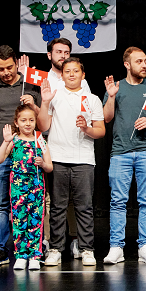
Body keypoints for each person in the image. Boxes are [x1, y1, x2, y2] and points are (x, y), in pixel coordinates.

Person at [102, 47, 146, 264]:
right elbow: (106, 118)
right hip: (120, 153)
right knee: (117, 201)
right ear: (127, 64)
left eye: (145, 61)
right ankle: (116, 247)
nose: (144, 65)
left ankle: (145, 246)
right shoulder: (117, 87)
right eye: (139, 61)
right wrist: (111, 96)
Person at [0, 45, 41, 266]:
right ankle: (0, 249)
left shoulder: (29, 83)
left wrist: (33, 104)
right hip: (0, 152)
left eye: (10, 67)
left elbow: (43, 121)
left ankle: (30, 249)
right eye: (0, 69)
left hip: (27, 154)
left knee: (30, 203)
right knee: (0, 204)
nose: (6, 72)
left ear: (16, 63)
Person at [37, 57, 105, 266]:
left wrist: (86, 128)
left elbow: (101, 131)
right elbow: (43, 125)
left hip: (84, 159)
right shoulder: (54, 96)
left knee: (84, 207)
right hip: (57, 158)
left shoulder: (92, 99)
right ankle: (56, 249)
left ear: (83, 75)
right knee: (57, 207)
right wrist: (45, 102)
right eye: (67, 71)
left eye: (76, 71)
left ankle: (86, 249)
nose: (72, 74)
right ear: (62, 75)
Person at [0, 103, 52, 270]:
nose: (28, 124)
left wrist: (42, 164)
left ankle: (35, 256)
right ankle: (20, 255)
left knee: (35, 220)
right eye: (23, 120)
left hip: (36, 188)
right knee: (19, 220)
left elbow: (50, 166)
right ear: (16, 122)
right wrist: (6, 142)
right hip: (18, 188)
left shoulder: (40, 140)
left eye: (31, 120)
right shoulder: (14, 141)